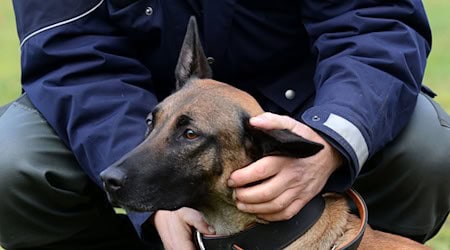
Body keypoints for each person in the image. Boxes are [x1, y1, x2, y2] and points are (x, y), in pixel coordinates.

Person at [1, 0, 449, 249]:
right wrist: (155, 205)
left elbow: (375, 20)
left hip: (308, 103)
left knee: (427, 147)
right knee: (12, 161)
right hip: (134, 112)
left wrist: (332, 137)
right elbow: (73, 60)